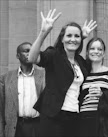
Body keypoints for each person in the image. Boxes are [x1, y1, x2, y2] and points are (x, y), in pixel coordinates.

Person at [28, 9, 97, 137]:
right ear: (62, 39)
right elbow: (32, 59)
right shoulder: (54, 55)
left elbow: (96, 66)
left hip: (75, 115)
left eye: (76, 36)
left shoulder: (80, 61)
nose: (73, 39)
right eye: (69, 36)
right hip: (54, 116)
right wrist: (43, 32)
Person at [0, 42, 45, 137]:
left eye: (32, 51)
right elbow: (1, 108)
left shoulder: (44, 76)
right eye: (26, 51)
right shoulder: (6, 78)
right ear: (18, 55)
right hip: (15, 127)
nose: (30, 53)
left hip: (37, 126)